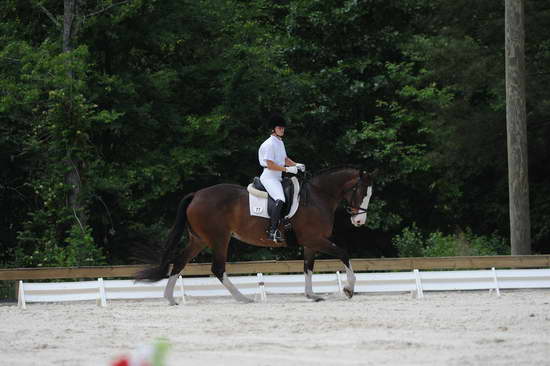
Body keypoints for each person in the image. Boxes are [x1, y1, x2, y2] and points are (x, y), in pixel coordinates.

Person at [258, 113, 305, 242]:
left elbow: (285, 159)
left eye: (283, 128)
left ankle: (284, 222)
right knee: (280, 198)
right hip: (269, 177)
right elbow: (270, 164)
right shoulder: (269, 144)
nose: (282, 130)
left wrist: (296, 164)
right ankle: (272, 231)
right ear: (273, 129)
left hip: (278, 177)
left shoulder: (279, 142)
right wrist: (287, 169)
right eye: (280, 128)